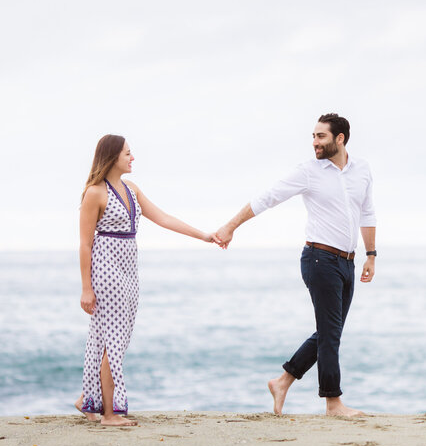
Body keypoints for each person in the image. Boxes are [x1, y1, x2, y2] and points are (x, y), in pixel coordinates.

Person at [214, 113, 377, 417]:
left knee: (331, 331)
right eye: (313, 137)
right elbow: (268, 198)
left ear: (339, 139)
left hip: (349, 262)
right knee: (330, 333)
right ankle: (333, 403)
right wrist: (230, 226)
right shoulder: (308, 172)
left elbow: (367, 213)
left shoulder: (362, 170)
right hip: (319, 259)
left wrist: (371, 254)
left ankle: (283, 381)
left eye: (321, 137)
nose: (315, 142)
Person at [76, 134, 215, 426]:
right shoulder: (94, 192)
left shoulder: (132, 189)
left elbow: (163, 218)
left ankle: (87, 399)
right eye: (127, 153)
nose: (132, 157)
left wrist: (203, 235)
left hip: (129, 268)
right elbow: (85, 244)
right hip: (106, 267)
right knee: (113, 339)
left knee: (110, 337)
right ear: (113, 156)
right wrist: (86, 288)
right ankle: (109, 414)